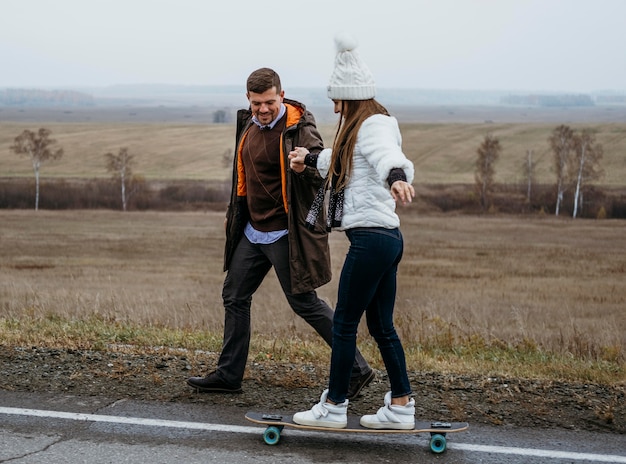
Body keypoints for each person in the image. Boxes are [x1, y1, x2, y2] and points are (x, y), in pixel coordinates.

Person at [186, 67, 374, 398]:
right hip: (252, 231)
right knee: (234, 295)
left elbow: (321, 171)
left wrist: (305, 166)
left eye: (269, 102)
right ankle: (229, 376)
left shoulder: (299, 130)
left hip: (286, 233)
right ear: (248, 99)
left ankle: (357, 368)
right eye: (257, 102)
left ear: (282, 95)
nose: (263, 109)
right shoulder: (248, 124)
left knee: (304, 303)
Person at [289, 34, 416, 430]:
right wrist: (308, 159)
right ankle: (401, 407)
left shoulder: (374, 125)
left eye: (337, 98)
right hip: (386, 240)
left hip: (372, 240)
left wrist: (396, 177)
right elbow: (342, 158)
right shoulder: (360, 126)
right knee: (380, 326)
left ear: (350, 96)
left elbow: (385, 156)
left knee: (344, 324)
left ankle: (335, 405)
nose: (333, 105)